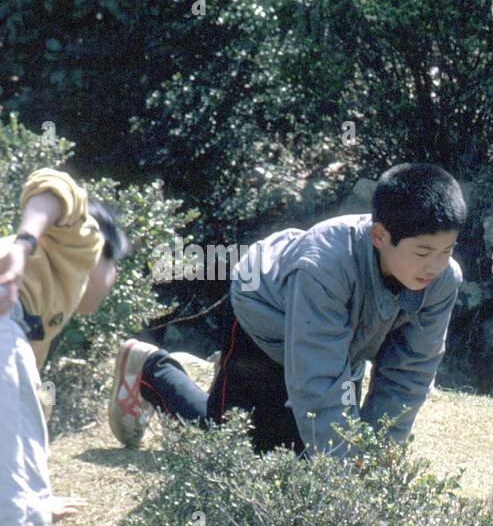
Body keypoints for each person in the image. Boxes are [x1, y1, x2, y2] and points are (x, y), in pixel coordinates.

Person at [109, 163, 466, 457]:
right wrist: (344, 478)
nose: (435, 266)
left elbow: (409, 374)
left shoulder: (443, 279)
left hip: (336, 346)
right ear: (379, 237)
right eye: (423, 252)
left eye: (446, 250)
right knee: (234, 453)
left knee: (307, 455)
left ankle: (230, 392)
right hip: (264, 317)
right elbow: (319, 382)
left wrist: (374, 459)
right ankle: (150, 370)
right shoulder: (323, 265)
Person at [0, 168, 130, 526]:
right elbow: (51, 186)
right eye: (116, 266)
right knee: (21, 505)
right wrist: (24, 240)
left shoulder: (36, 308)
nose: (113, 279)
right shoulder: (81, 240)